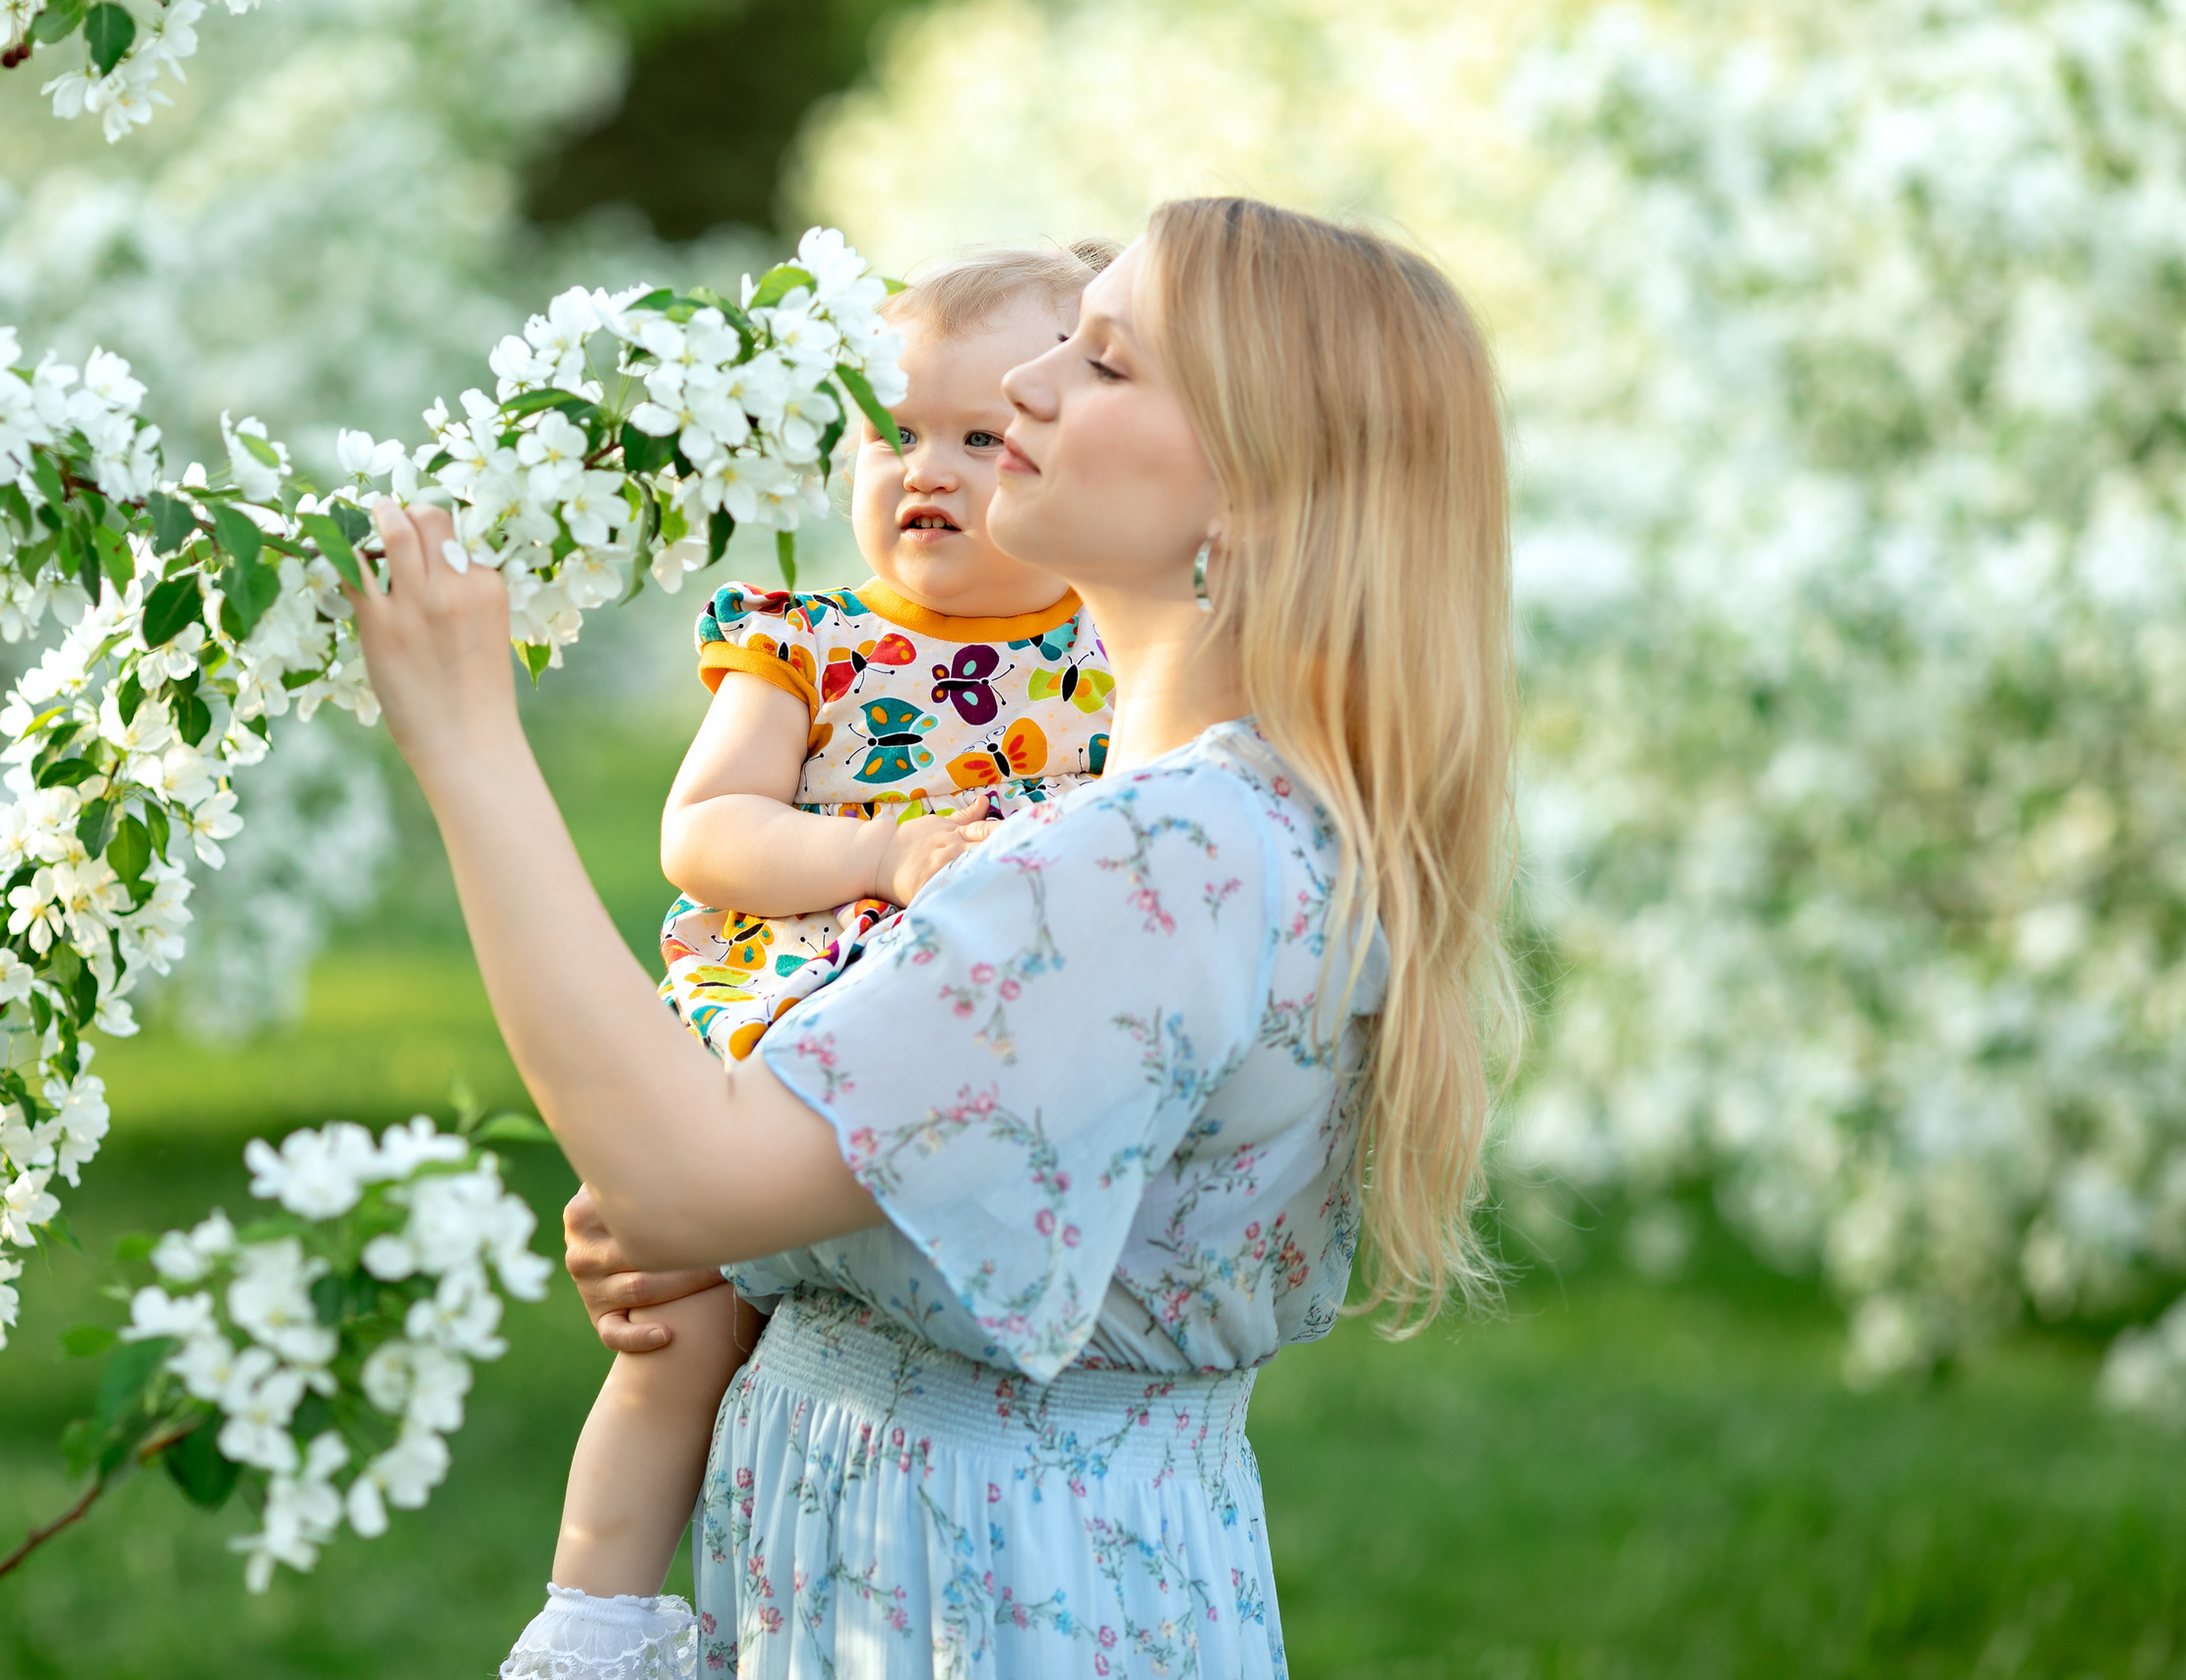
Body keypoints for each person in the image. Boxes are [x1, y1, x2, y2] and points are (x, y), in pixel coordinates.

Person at [348, 196, 1517, 1679]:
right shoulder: (1214, 821)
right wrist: (759, 1259)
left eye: (1104, 365)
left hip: (969, 1603)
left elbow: (692, 1173)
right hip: (1020, 1572)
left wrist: (464, 735)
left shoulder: (1155, 855)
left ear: (1255, 493)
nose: (1026, 387)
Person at [502, 242, 1121, 1676]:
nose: (930, 470)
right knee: (677, 1335)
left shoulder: (1110, 655)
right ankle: (592, 1621)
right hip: (780, 1030)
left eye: (983, 437)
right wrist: (874, 856)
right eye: (891, 431)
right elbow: (705, 829)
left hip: (973, 1066)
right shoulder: (811, 640)